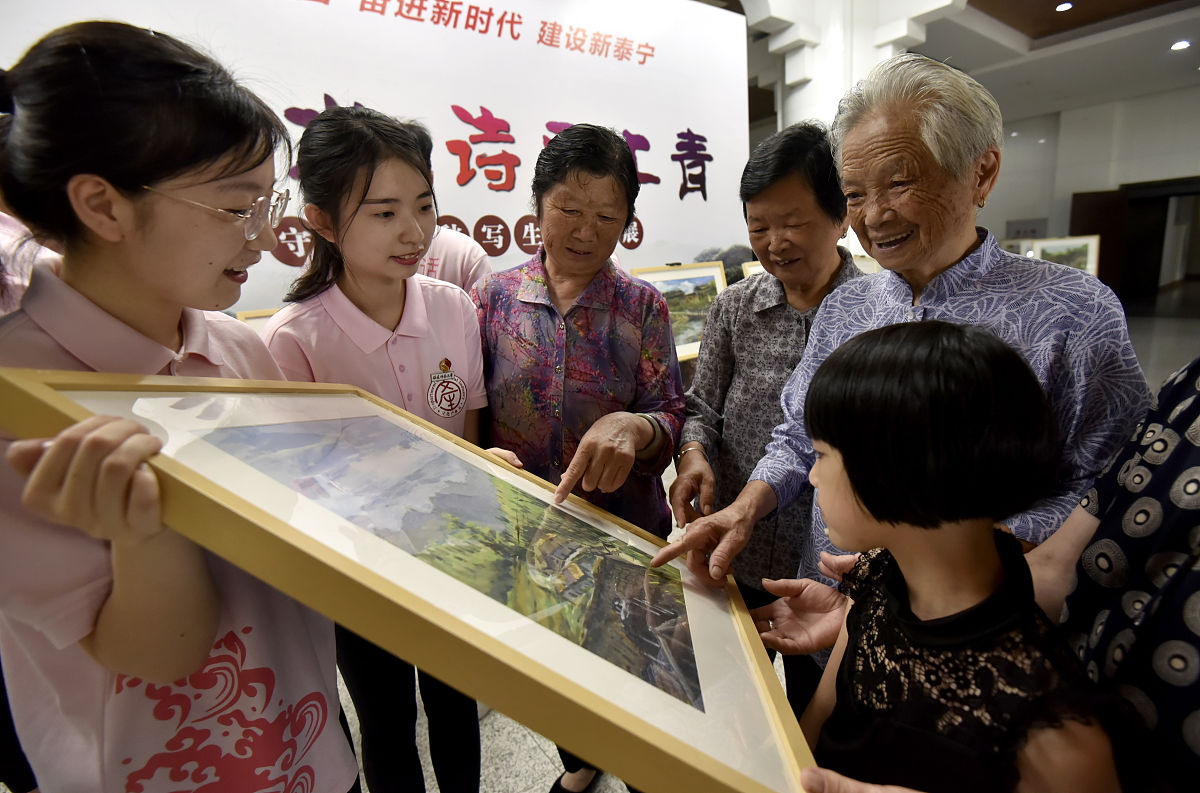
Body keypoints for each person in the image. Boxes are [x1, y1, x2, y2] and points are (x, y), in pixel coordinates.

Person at [0, 21, 357, 792]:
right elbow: (157, 652)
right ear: (103, 205)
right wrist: (143, 530)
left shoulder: (234, 348)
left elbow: (296, 522)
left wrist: (434, 485)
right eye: (236, 210)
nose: (263, 241)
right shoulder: (18, 398)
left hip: (308, 745)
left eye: (269, 204)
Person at [653, 52, 1149, 591]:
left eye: (898, 184)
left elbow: (1105, 482)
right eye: (856, 194)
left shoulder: (1073, 311)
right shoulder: (848, 308)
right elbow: (799, 436)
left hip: (958, 636)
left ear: (981, 172)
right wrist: (745, 509)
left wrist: (945, 563)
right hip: (818, 603)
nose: (872, 216)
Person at [261, 105, 515, 793]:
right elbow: (298, 488)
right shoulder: (293, 341)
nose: (415, 232)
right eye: (383, 213)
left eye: (425, 206)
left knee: (457, 705)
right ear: (320, 221)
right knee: (386, 722)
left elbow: (464, 432)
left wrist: (483, 471)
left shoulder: (453, 308)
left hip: (452, 553)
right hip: (358, 574)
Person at [797, 320, 1122, 793]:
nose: (811, 477)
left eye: (822, 454)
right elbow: (813, 731)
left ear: (900, 468)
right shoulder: (880, 582)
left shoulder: (1051, 733)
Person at [471, 123, 685, 793]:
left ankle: (646, 769)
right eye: (569, 208)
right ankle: (579, 759)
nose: (586, 230)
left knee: (643, 676)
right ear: (536, 205)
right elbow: (472, 418)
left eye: (607, 216)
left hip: (625, 537)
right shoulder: (492, 299)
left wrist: (636, 427)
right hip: (531, 536)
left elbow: (674, 414)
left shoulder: (642, 307)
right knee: (558, 676)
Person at [668, 121, 861, 714]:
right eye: (759, 226)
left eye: (794, 222)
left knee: (813, 706)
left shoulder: (872, 315)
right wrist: (693, 453)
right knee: (730, 699)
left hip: (823, 567)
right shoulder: (736, 308)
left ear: (841, 217)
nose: (774, 242)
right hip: (735, 544)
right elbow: (700, 406)